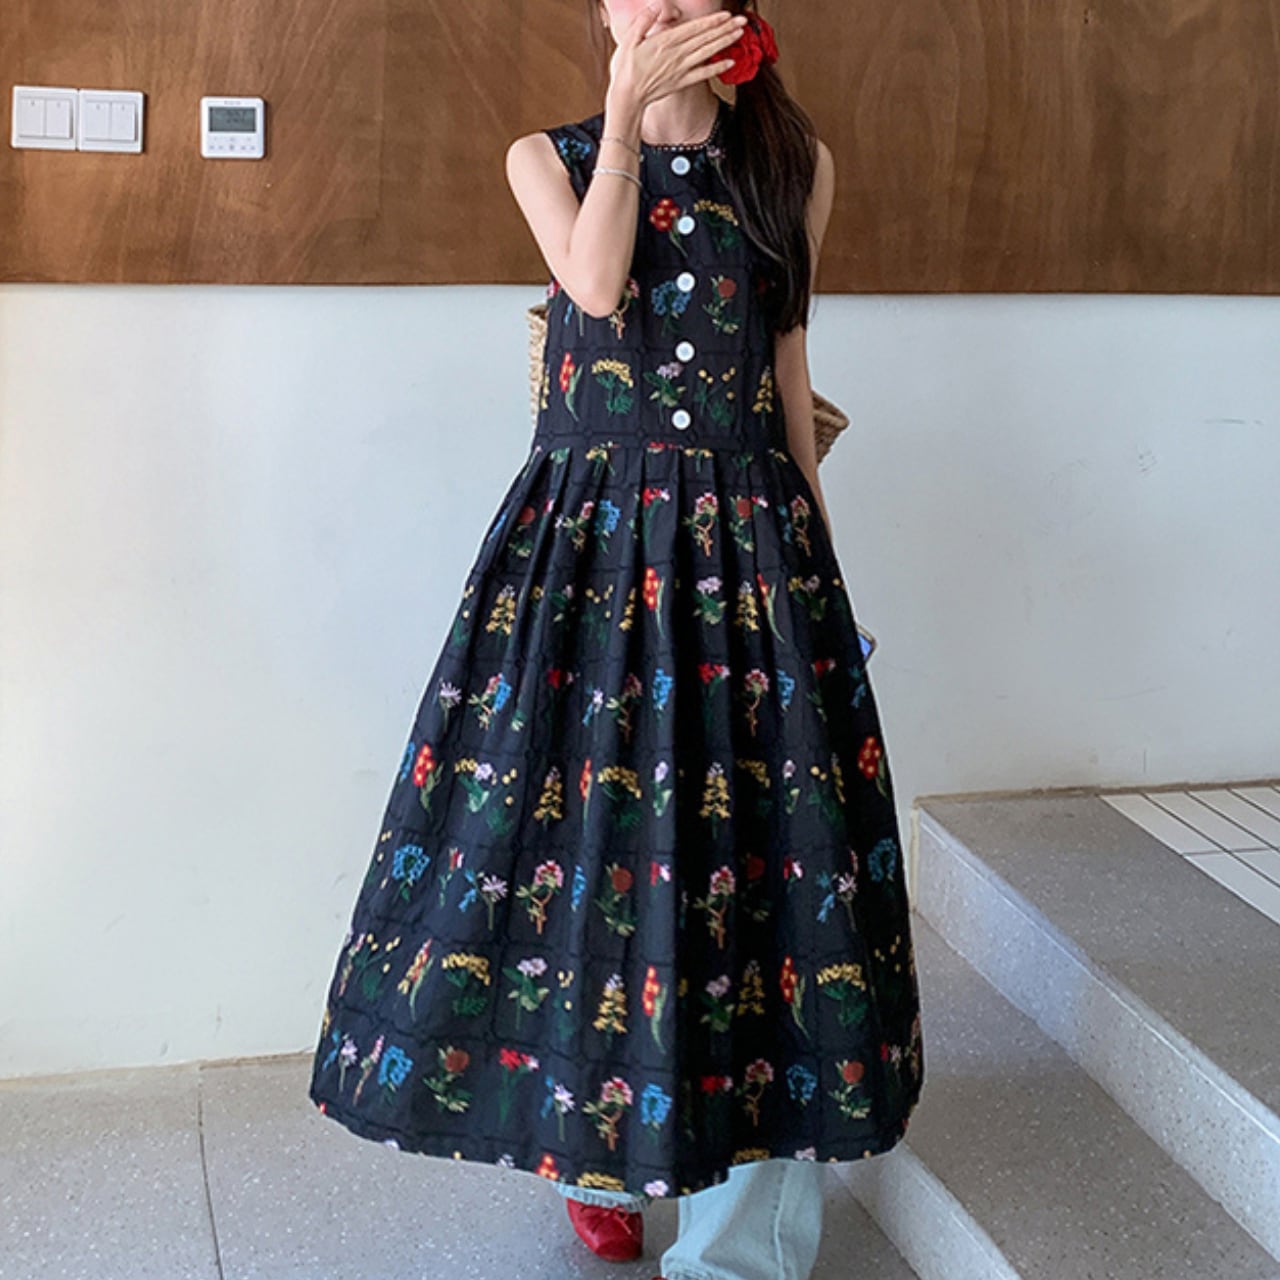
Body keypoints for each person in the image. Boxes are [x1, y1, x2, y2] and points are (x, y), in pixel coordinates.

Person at [306, 3, 924, 1278]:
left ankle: (736, 1249)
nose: (655, 7)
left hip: (746, 550)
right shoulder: (550, 156)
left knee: (764, 881)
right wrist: (630, 117)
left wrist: (819, 571)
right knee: (582, 858)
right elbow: (594, 284)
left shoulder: (793, 164)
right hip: (587, 560)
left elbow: (786, 377)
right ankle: (594, 1152)